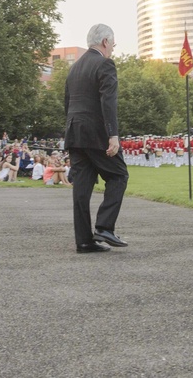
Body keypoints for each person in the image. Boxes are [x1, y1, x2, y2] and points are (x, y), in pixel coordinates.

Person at [64, 23, 128, 253]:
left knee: (81, 188)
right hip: (96, 133)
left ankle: (84, 241)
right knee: (119, 175)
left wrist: (70, 132)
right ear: (105, 42)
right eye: (113, 44)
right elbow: (107, 101)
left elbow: (67, 103)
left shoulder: (75, 67)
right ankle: (104, 227)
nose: (113, 48)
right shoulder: (105, 63)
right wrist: (113, 135)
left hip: (75, 132)